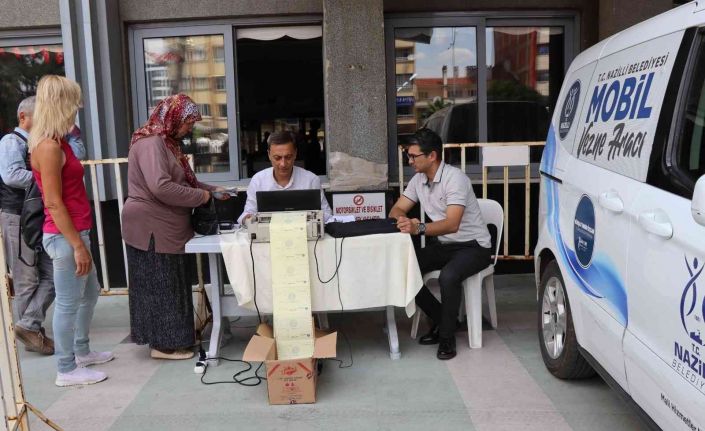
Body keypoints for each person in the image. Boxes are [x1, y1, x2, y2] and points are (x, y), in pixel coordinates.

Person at [122, 94, 229, 361]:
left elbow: (183, 182)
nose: (189, 129)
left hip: (166, 226)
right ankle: (163, 345)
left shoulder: (167, 144)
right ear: (173, 118)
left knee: (172, 283)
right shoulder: (151, 144)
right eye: (187, 123)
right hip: (152, 228)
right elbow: (161, 187)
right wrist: (202, 197)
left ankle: (175, 338)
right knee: (162, 284)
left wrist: (212, 189)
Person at [30, 75, 113, 386]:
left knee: (88, 295)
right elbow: (52, 202)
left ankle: (81, 352)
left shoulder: (59, 142)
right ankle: (66, 369)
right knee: (67, 301)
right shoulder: (49, 147)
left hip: (75, 232)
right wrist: (77, 245)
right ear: (60, 105)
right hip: (66, 236)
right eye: (73, 103)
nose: (77, 108)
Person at [389, 128, 492, 360]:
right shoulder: (418, 180)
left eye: (413, 156)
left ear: (432, 156)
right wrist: (402, 219)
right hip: (446, 245)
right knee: (405, 269)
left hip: (474, 246)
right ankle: (443, 319)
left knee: (448, 277)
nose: (409, 160)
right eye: (409, 156)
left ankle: (446, 337)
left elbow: (452, 224)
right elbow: (396, 209)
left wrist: (419, 227)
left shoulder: (455, 179)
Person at [0, 96, 56, 355]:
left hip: (32, 215)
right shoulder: (12, 141)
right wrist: (47, 175)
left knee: (52, 275)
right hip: (17, 216)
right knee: (26, 280)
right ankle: (31, 333)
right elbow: (11, 175)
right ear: (24, 117)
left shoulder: (35, 143)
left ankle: (28, 325)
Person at [237, 130, 332, 224]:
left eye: (288, 157)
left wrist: (315, 218)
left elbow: (327, 215)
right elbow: (248, 213)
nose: (283, 164)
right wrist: (247, 219)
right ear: (269, 155)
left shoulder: (311, 180)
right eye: (277, 158)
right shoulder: (258, 180)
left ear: (295, 154)